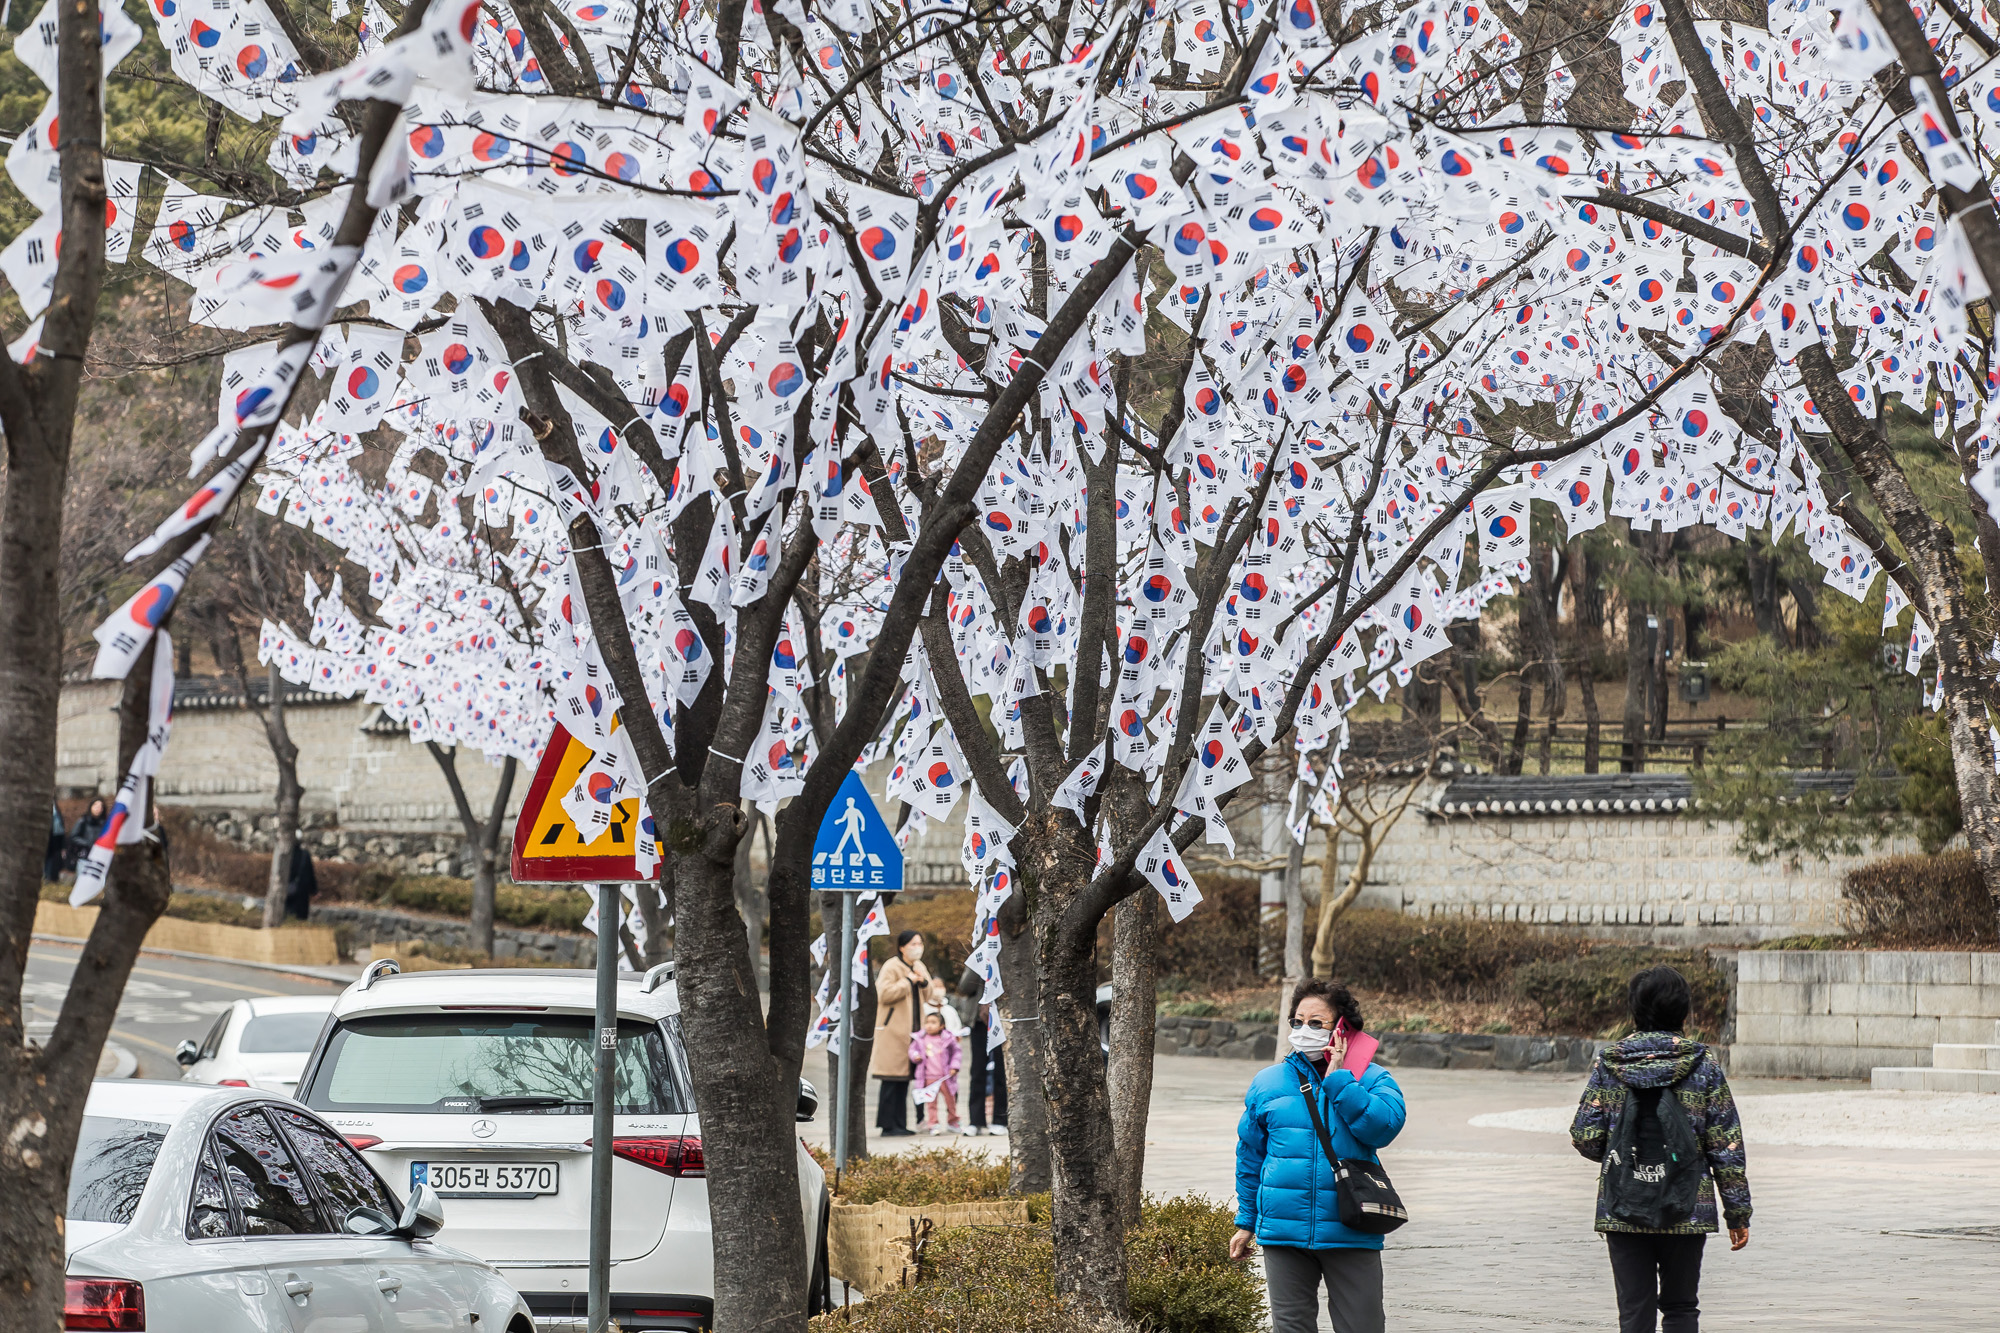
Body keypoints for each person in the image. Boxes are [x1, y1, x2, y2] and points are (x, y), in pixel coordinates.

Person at [1571, 966, 1751, 1333]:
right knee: (1682, 1307)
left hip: (1623, 1205)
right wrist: (1737, 1213)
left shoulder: (1610, 1063)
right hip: (1688, 1206)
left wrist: (1625, 1153)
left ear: (1634, 1012)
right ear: (1684, 1013)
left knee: (1634, 1313)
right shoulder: (1702, 1066)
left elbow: (1585, 1134)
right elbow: (1725, 1146)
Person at [1232, 978, 1405, 1333]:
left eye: (1316, 1023)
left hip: (1351, 1228)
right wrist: (1247, 1220)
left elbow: (1382, 1129)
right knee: (1291, 1328)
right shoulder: (1267, 1082)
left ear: (1341, 1027)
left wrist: (1341, 1080)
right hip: (1284, 1233)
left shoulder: (1371, 1079)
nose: (1303, 1030)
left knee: (1362, 1327)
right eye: (1297, 1022)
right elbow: (1250, 1155)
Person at [870, 930, 932, 1137]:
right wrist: (907, 981)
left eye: (920, 942)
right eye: (913, 943)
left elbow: (930, 993)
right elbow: (884, 994)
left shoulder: (919, 966)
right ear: (902, 947)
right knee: (891, 1079)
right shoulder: (892, 966)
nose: (918, 947)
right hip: (893, 1032)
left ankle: (900, 1123)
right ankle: (888, 1125)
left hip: (914, 1033)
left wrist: (922, 982)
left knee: (905, 1080)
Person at [909, 1009, 964, 1135]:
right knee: (931, 1104)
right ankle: (933, 1124)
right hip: (928, 1077)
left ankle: (953, 1121)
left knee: (951, 1101)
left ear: (941, 1025)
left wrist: (954, 1067)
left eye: (933, 1022)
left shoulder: (948, 1039)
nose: (929, 1025)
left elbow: (957, 1053)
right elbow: (912, 1050)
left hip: (946, 1077)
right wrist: (915, 1056)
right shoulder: (920, 1038)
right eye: (927, 1022)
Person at [64, 797, 107, 873]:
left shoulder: (104, 824)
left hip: (99, 856)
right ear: (91, 807)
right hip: (84, 856)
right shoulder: (83, 821)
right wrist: (87, 843)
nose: (98, 809)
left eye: (100, 807)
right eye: (96, 806)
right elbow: (73, 837)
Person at [283, 842, 318, 920]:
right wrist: (314, 890)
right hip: (302, 892)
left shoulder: (285, 855)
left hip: (286, 890)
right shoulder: (305, 855)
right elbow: (310, 874)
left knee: (287, 915)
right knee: (300, 917)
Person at [44, 804, 65, 883]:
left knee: (52, 859)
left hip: (55, 838)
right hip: (47, 837)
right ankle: (46, 876)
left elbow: (61, 824)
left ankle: (49, 877)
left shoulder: (56, 807)